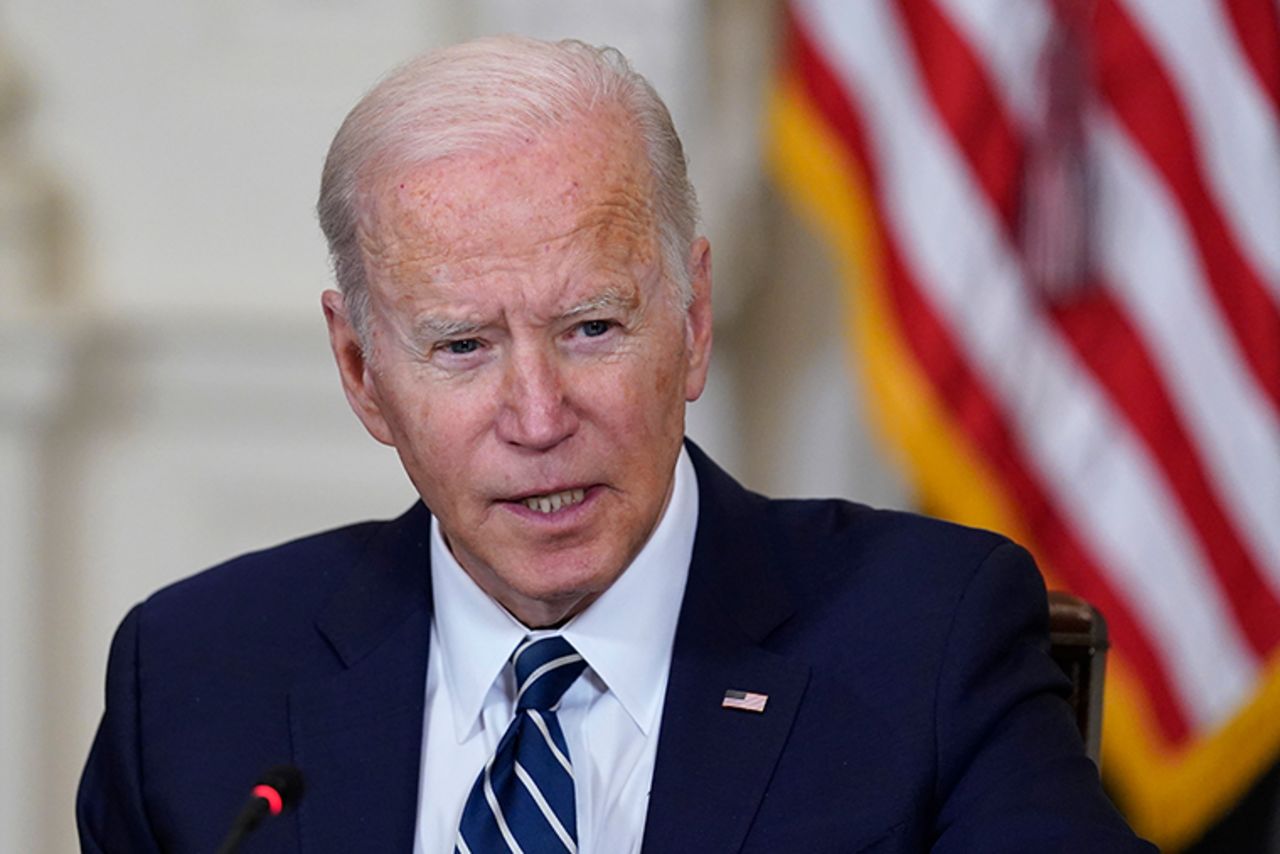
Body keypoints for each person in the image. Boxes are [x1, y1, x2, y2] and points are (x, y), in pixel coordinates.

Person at [77, 35, 1153, 853]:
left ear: (689, 324)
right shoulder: (195, 681)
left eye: (591, 327)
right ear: (361, 371)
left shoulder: (922, 639)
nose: (538, 416)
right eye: (461, 344)